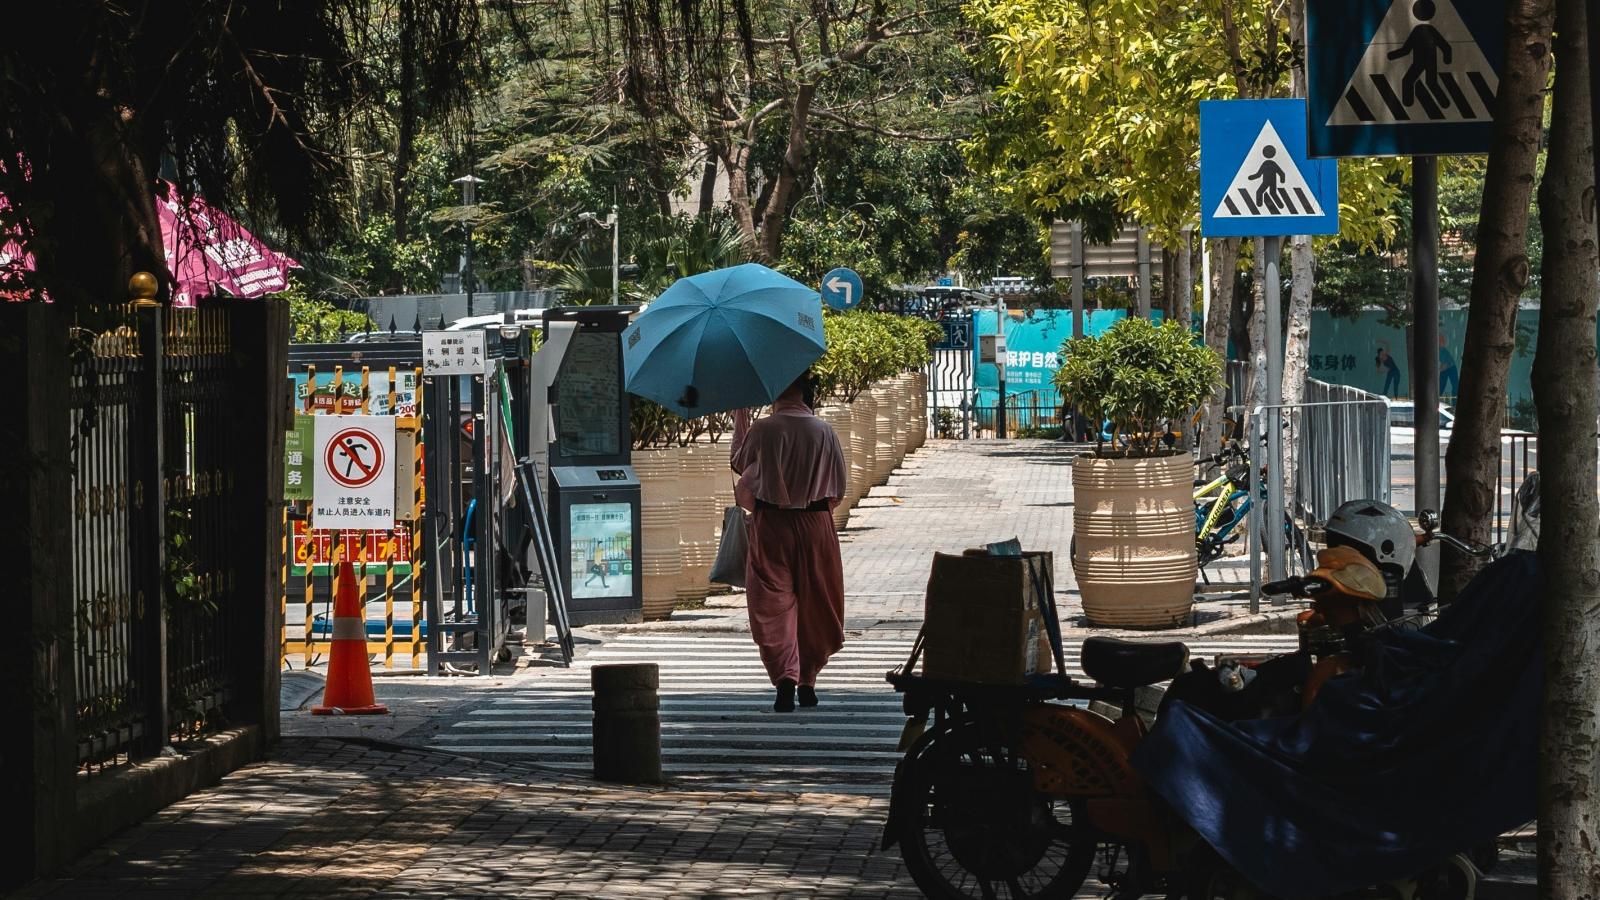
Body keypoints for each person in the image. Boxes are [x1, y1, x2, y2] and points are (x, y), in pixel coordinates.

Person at [730, 371, 847, 712]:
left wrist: (741, 415)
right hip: (816, 524)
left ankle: (785, 677)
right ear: (806, 393)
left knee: (772, 604)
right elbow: (837, 488)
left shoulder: (764, 429)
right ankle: (808, 678)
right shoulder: (824, 431)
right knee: (818, 601)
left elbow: (740, 463)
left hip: (772, 524)